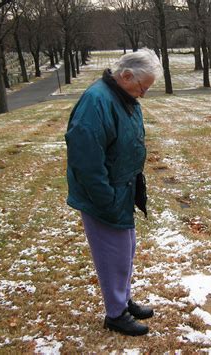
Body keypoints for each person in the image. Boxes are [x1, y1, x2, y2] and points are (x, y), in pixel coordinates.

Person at [65, 49, 162, 336]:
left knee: (125, 250)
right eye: (142, 87)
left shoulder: (123, 97)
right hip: (104, 195)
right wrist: (105, 199)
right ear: (126, 75)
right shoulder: (96, 102)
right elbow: (86, 161)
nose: (143, 94)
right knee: (112, 256)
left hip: (122, 189)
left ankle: (122, 298)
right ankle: (115, 314)